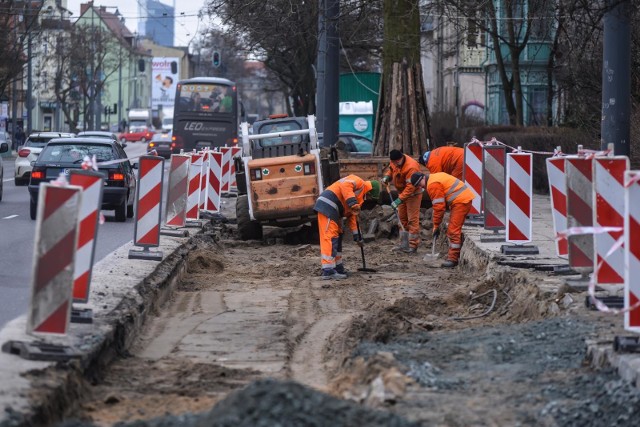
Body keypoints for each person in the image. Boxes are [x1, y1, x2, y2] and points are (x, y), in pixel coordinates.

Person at [313, 175, 381, 280]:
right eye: (371, 197)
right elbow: (345, 185)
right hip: (328, 204)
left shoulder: (359, 198)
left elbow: (352, 216)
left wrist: (357, 236)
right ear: (370, 191)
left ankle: (338, 267)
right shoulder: (359, 182)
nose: (369, 200)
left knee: (338, 236)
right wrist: (352, 202)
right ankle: (328, 270)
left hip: (335, 210)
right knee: (330, 237)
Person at [410, 171, 475, 268]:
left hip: (461, 201)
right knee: (454, 229)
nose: (421, 187)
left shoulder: (432, 185)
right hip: (461, 200)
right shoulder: (433, 178)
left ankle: (453, 259)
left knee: (453, 230)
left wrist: (436, 225)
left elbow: (439, 207)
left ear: (423, 178)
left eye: (420, 184)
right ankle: (454, 256)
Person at [381, 149, 423, 254]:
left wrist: (399, 200)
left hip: (413, 194)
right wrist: (387, 176)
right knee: (401, 218)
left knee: (412, 220)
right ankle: (404, 244)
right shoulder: (394, 161)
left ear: (401, 158)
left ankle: (413, 246)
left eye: (397, 162)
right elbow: (391, 169)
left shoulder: (411, 167)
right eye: (393, 162)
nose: (395, 164)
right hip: (402, 193)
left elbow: (411, 187)